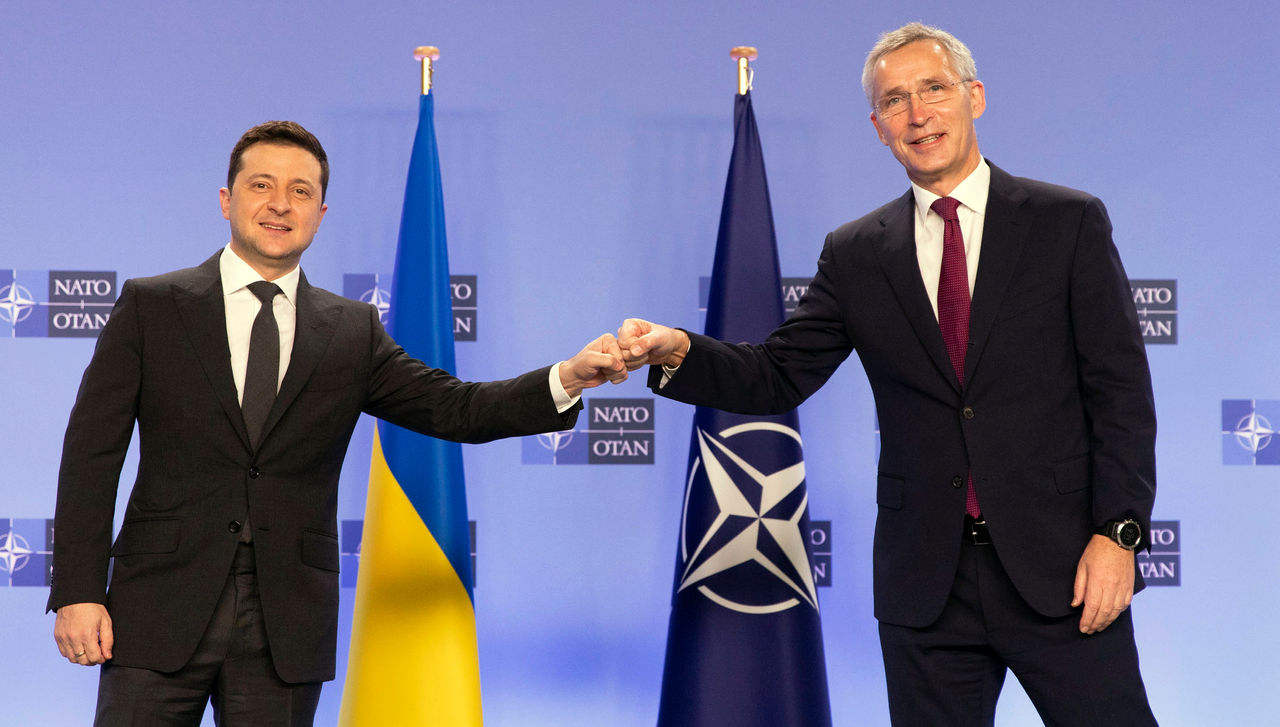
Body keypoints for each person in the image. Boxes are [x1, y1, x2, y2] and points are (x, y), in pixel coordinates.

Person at [619, 22, 1158, 725]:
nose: (917, 113)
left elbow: (1120, 395)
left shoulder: (1068, 222)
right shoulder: (855, 254)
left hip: (1065, 569)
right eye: (895, 100)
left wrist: (1118, 535)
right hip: (925, 585)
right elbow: (777, 375)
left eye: (933, 88)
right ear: (878, 127)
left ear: (975, 96)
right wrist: (678, 351)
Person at [48, 120, 626, 725]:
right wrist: (78, 592)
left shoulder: (353, 330)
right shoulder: (152, 306)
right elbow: (91, 457)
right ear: (226, 200)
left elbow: (458, 408)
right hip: (156, 608)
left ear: (320, 212)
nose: (279, 204)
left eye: (300, 191)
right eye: (261, 185)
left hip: (285, 624)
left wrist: (568, 376)